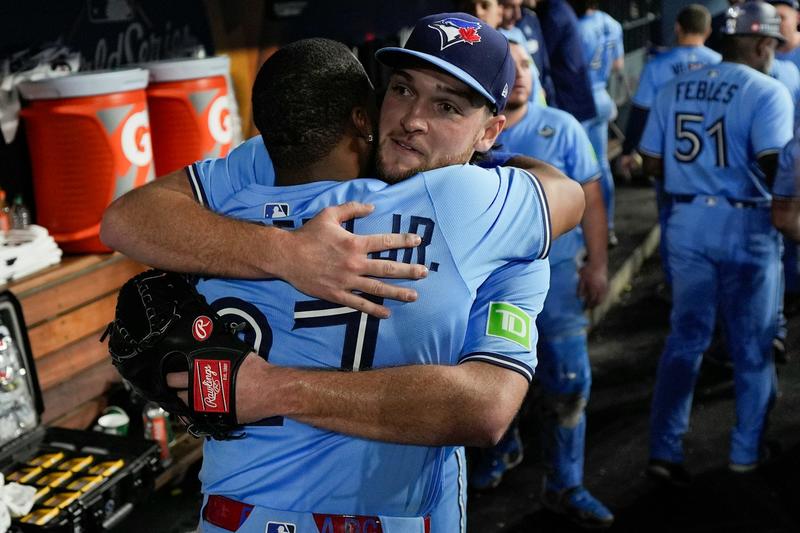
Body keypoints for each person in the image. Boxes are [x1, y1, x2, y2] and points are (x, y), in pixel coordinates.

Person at [103, 16, 585, 533]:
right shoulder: (489, 206)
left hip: (255, 512)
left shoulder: (272, 169)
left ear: (490, 130)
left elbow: (486, 408)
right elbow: (568, 194)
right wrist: (286, 253)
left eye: (446, 106)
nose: (412, 120)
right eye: (403, 90)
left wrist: (272, 389)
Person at [639, 1, 794, 484]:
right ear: (764, 43)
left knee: (685, 340)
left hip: (686, 221)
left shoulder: (673, 86)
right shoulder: (767, 89)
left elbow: (651, 164)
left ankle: (664, 450)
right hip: (746, 223)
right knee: (752, 346)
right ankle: (745, 452)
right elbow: (774, 167)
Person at [470, 40, 612, 529]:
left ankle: (566, 484)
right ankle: (500, 451)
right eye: (512, 67)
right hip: (490, 287)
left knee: (569, 384)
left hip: (558, 283)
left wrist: (598, 265)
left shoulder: (563, 126)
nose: (523, 74)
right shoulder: (469, 133)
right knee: (490, 378)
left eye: (528, 64)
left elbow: (592, 198)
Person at [620, 4, 721, 288]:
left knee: (671, 220)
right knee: (710, 221)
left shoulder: (658, 65)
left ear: (678, 28)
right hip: (712, 157)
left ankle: (675, 283)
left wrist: (628, 150)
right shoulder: (720, 62)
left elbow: (640, 111)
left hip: (669, 159)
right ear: (707, 30)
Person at [572, 0, 624, 246]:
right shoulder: (611, 23)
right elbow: (618, 65)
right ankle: (608, 227)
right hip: (602, 96)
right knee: (601, 165)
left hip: (582, 100)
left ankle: (586, 234)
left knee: (579, 169)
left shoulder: (577, 26)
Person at [534, 0, 597, 122]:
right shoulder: (560, 8)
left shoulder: (555, 13)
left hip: (570, 100)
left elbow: (541, 56)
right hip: (577, 97)